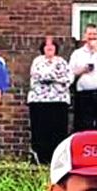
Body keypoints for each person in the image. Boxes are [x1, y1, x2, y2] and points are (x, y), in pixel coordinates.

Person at [26, 35, 72, 165]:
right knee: (40, 130)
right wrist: (56, 77)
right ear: (43, 48)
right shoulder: (37, 61)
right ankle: (39, 158)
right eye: (47, 46)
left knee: (57, 130)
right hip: (39, 101)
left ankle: (56, 159)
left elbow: (68, 78)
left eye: (52, 46)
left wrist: (51, 77)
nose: (50, 48)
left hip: (59, 101)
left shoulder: (62, 61)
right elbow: (38, 75)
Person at [67, 26, 97, 136]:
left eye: (94, 34)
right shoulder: (77, 53)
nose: (92, 37)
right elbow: (70, 72)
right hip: (84, 94)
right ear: (84, 36)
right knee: (83, 126)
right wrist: (83, 69)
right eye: (90, 34)